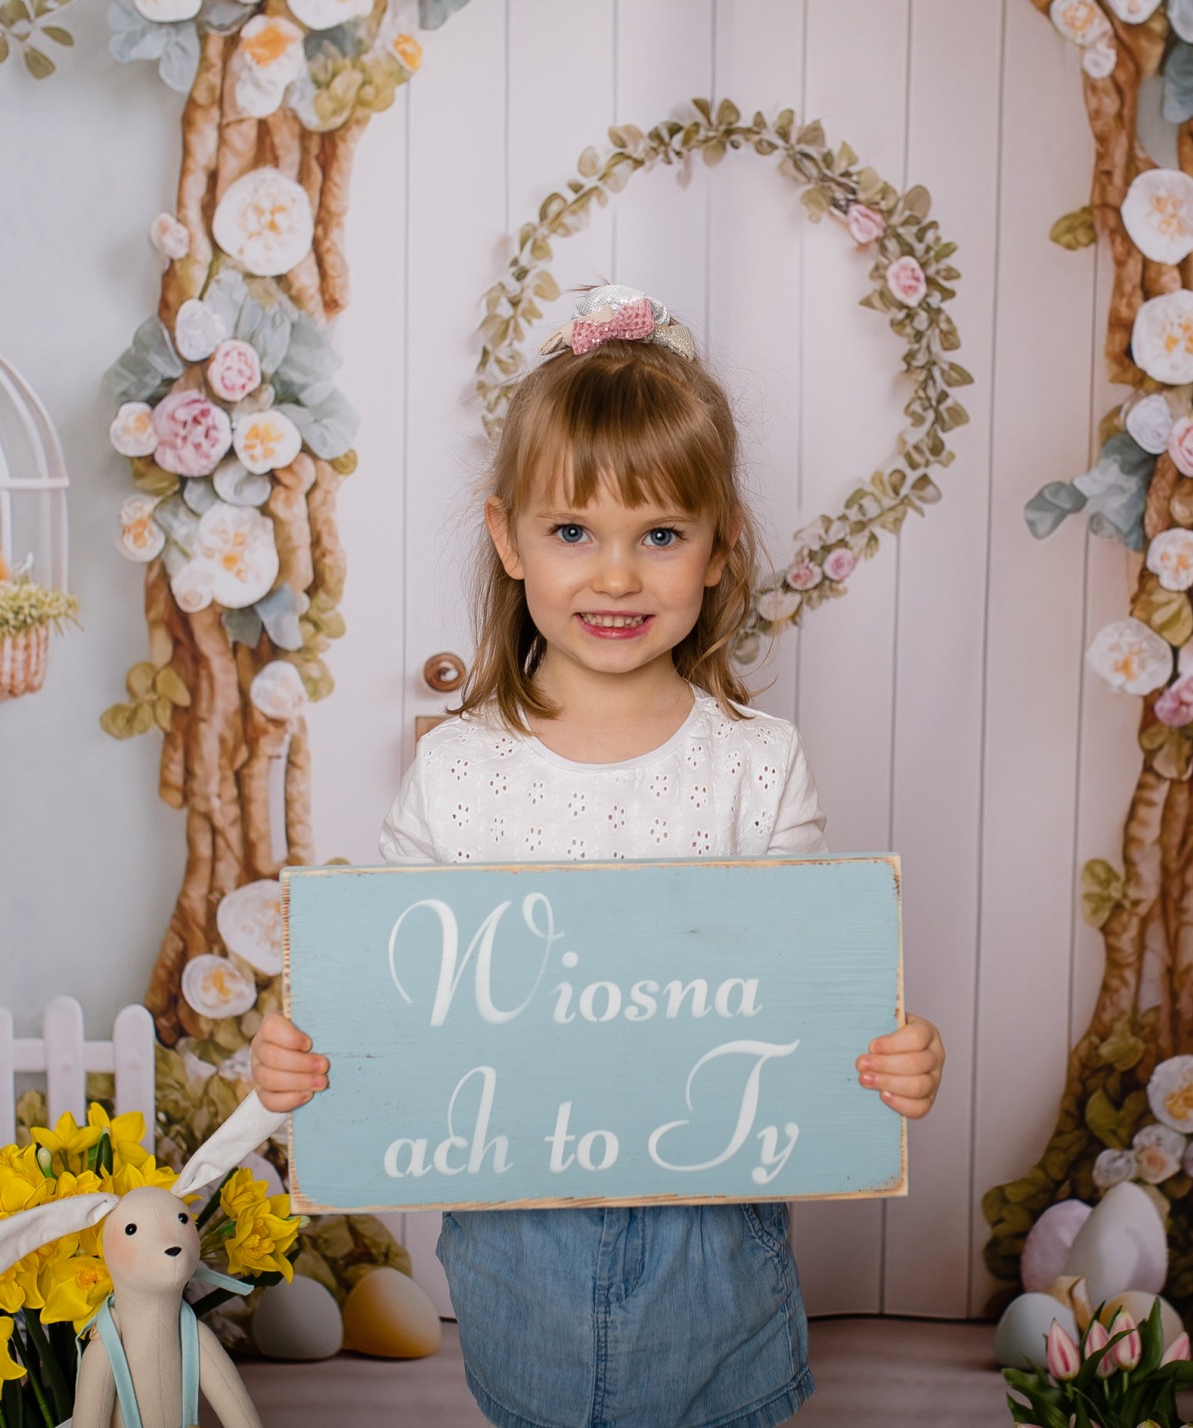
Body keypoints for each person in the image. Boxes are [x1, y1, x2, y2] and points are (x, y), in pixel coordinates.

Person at [251, 284, 945, 1428]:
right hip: (519, 1259)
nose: (614, 576)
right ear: (507, 540)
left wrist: (891, 1056)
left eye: (659, 536)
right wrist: (305, 1060)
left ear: (718, 547)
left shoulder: (756, 765)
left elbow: (816, 997)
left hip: (715, 1259)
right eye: (572, 532)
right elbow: (389, 998)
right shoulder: (458, 771)